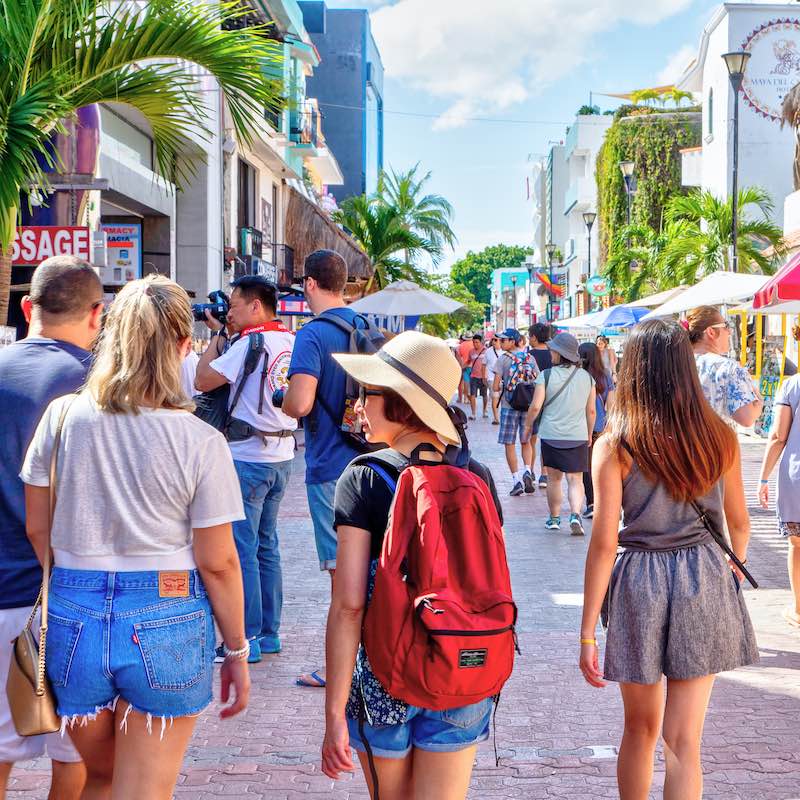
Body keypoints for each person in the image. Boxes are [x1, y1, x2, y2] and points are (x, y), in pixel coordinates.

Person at [20, 276, 250, 800]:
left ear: (111, 333)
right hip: (166, 612)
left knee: (100, 780)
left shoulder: (63, 418)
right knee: (144, 788)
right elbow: (219, 563)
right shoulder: (200, 440)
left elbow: (38, 525)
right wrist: (236, 650)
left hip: (73, 611)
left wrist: (74, 578)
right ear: (184, 346)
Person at [580, 318, 758, 800]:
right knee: (684, 741)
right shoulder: (721, 437)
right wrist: (727, 576)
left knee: (639, 729)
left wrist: (587, 632)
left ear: (633, 371)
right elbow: (739, 525)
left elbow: (602, 543)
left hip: (639, 576)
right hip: (703, 572)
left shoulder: (616, 444)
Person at [321, 331, 504, 800]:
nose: (357, 404)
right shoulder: (476, 475)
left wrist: (334, 710)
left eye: (368, 392)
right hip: (461, 666)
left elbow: (347, 606)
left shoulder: (364, 477)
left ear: (401, 402)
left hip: (384, 675)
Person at [0, 256, 101, 799]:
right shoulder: (97, 387)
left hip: (1, 591)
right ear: (96, 315)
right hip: (69, 596)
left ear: (26, 308)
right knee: (77, 758)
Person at [195, 275, 297, 662]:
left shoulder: (248, 343)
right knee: (267, 545)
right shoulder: (290, 340)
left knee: (242, 549)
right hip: (283, 455)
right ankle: (269, 633)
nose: (230, 314)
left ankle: (248, 638)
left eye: (235, 307)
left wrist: (219, 336)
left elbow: (203, 380)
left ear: (256, 306)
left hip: (247, 457)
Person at [281, 249, 365, 688]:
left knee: (342, 579)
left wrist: (282, 397)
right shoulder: (366, 327)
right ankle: (372, 660)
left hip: (331, 465)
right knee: (372, 570)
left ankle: (340, 670)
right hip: (373, 463)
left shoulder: (312, 336)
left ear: (310, 284)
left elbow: (300, 403)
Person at [523, 332, 595, 535]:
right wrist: (589, 434)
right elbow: (591, 411)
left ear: (559, 353)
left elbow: (535, 407)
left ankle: (554, 519)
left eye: (552, 349)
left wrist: (528, 427)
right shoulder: (587, 378)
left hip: (551, 434)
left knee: (554, 480)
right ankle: (575, 515)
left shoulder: (545, 375)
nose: (550, 352)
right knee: (576, 479)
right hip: (577, 435)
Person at [758, 372, 800, 627]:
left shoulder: (792, 385)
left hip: (797, 474)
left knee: (798, 544)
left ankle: (798, 609)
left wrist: (763, 478)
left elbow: (778, 436)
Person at [689, 306, 763, 427]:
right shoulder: (728, 368)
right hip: (716, 442)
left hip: (680, 443)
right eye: (725, 326)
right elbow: (746, 418)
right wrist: (759, 402)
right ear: (711, 332)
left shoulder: (676, 364)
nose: (730, 332)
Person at [492, 328, 535, 496]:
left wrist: (505, 386)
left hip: (509, 406)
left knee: (509, 443)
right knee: (526, 442)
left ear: (512, 341)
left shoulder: (503, 359)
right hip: (528, 406)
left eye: (503, 340)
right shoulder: (529, 357)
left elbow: (495, 386)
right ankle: (527, 470)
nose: (500, 343)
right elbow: (537, 380)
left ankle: (516, 479)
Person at [578, 342, 614, 519]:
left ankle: (592, 503)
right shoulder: (606, 375)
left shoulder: (579, 376)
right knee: (602, 466)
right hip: (603, 427)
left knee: (586, 467)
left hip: (583, 426)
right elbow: (611, 404)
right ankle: (603, 502)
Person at [527, 322, 553, 488]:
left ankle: (530, 470)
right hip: (551, 400)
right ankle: (544, 474)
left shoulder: (529, 356)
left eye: (530, 336)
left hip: (532, 399)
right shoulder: (553, 354)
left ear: (534, 338)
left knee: (532, 439)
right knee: (546, 439)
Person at [467, 333, 489, 420]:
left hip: (484, 377)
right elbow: (468, 361)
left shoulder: (486, 351)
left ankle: (485, 411)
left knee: (484, 396)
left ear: (481, 342)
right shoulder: (471, 352)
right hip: (473, 377)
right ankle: (473, 413)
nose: (475, 344)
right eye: (474, 342)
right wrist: (460, 367)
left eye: (477, 342)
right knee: (472, 395)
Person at [483, 334, 501, 425]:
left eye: (496, 340)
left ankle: (500, 415)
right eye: (493, 339)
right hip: (491, 379)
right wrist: (484, 377)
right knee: (495, 398)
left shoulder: (505, 351)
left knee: (503, 399)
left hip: (504, 380)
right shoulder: (488, 351)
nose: (494, 341)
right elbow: (483, 364)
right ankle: (496, 418)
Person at [456, 334, 473, 404]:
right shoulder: (474, 344)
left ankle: (465, 398)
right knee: (472, 384)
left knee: (466, 382)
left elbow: (458, 358)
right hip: (473, 366)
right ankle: (470, 399)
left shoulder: (460, 346)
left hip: (464, 366)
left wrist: (461, 365)